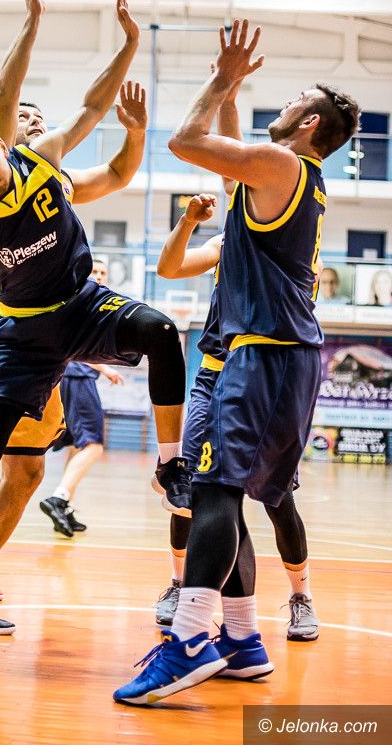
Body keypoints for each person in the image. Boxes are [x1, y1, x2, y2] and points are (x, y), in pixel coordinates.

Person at [0, 0, 188, 649]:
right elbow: (2, 92)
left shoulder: (48, 170)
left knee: (25, 473)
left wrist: (131, 57)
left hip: (69, 317)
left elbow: (113, 159)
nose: (25, 121)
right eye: (18, 116)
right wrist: (33, 19)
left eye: (32, 118)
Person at [115, 19, 359, 705]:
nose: (282, 103)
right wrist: (233, 93)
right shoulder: (290, 180)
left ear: (309, 123)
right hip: (279, 358)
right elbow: (229, 162)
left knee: (216, 492)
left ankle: (190, 639)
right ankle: (244, 639)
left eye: (294, 100)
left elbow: (184, 142)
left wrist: (222, 79)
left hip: (263, 356)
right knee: (226, 495)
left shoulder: (284, 166)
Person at [153, 189, 320, 643]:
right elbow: (169, 268)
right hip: (215, 373)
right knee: (189, 489)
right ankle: (179, 584)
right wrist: (189, 221)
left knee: (277, 499)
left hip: (264, 376)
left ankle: (302, 596)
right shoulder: (226, 242)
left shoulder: (290, 247)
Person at [40, 257, 124, 537]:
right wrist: (106, 368)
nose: (98, 276)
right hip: (76, 377)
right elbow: (76, 347)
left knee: (77, 447)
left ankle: (65, 507)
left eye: (103, 272)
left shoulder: (87, 303)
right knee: (93, 445)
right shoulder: (82, 302)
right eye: (94, 271)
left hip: (68, 378)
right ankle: (59, 497)